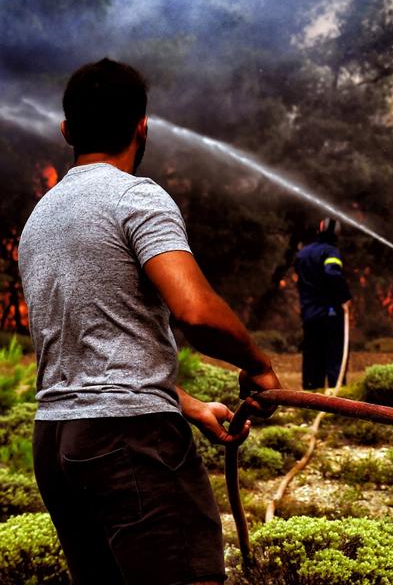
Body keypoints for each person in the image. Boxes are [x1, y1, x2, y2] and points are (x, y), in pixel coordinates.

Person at [18, 58, 281, 585]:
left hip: (56, 443)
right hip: (130, 442)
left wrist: (185, 404)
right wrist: (258, 365)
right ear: (143, 125)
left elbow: (86, 349)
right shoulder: (135, 196)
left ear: (67, 130)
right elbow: (196, 312)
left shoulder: (40, 217)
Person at [294, 218, 353, 389]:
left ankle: (311, 396)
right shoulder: (331, 252)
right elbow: (332, 273)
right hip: (330, 313)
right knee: (335, 355)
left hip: (309, 313)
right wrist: (344, 297)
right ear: (336, 235)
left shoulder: (303, 253)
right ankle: (337, 398)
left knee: (312, 356)